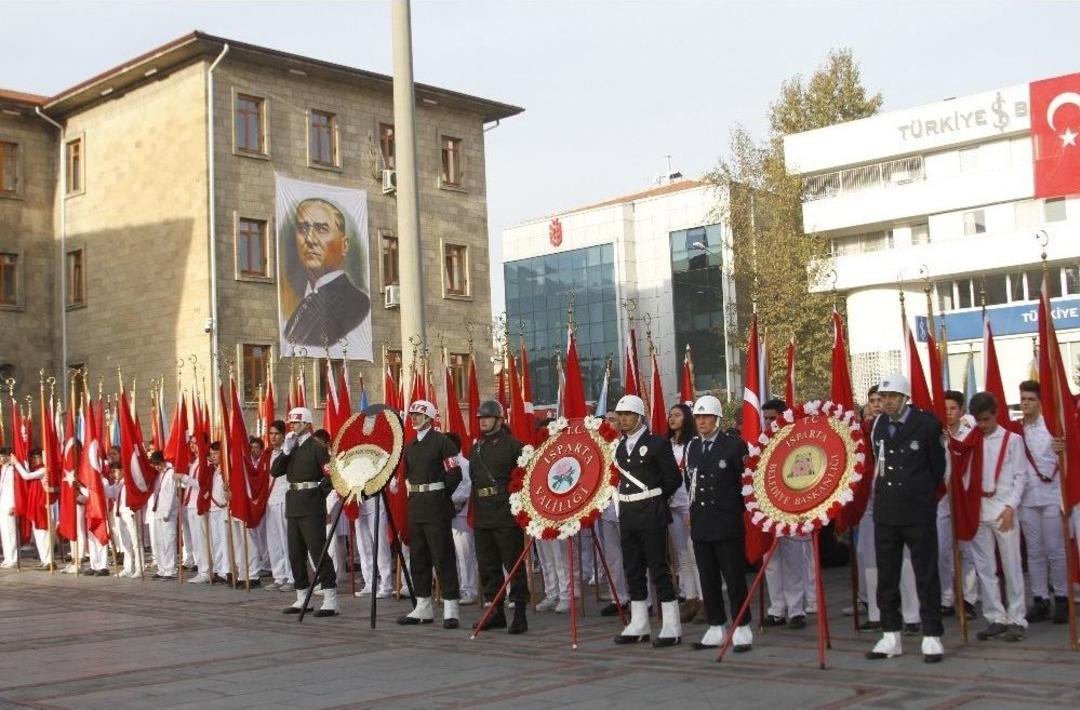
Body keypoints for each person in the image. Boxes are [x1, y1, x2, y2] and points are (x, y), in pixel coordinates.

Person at [867, 374, 946, 663]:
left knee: (925, 573)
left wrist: (921, 494)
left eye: (892, 397)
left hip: (917, 511)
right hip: (887, 511)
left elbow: (937, 468)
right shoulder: (878, 425)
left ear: (904, 399)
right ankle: (890, 634)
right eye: (883, 398)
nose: (886, 403)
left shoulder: (926, 424)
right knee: (887, 576)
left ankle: (932, 634)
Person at [611, 395, 683, 648]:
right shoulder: (619, 447)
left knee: (658, 567)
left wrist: (656, 499)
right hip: (628, 512)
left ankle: (671, 626)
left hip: (651, 511)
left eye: (628, 415)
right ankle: (639, 622)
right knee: (632, 567)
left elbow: (673, 478)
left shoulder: (657, 443)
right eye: (620, 415)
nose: (623, 419)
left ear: (639, 417)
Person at [685, 395, 752, 652]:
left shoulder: (734, 446)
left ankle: (742, 625)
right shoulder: (692, 447)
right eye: (698, 417)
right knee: (708, 578)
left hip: (726, 522)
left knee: (734, 577)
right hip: (701, 522)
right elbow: (688, 480)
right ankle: (716, 624)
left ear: (717, 419)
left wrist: (733, 510)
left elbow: (744, 484)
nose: (701, 422)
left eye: (706, 417)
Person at [959, 393, 1028, 642]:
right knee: (985, 567)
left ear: (996, 414)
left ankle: (1017, 618)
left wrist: (1011, 506)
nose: (983, 425)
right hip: (978, 509)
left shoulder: (1013, 440)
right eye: (978, 420)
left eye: (986, 419)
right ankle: (995, 617)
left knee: (1011, 566)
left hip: (1003, 508)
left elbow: (1021, 476)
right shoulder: (972, 440)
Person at [396, 400, 463, 629]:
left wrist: (441, 495)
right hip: (417, 507)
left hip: (436, 507)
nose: (413, 418)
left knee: (442, 556)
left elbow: (454, 473)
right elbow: (408, 474)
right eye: (412, 414)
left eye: (417, 415)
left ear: (429, 417)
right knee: (419, 558)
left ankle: (451, 607)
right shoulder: (411, 445)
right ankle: (423, 605)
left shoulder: (442, 442)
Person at [271, 407, 339, 618]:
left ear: (308, 424)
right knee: (295, 553)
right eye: (291, 423)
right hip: (294, 505)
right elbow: (275, 471)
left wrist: (320, 492)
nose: (292, 427)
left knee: (317, 551)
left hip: (311, 504)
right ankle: (302, 595)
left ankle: (330, 598)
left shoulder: (317, 447)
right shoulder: (291, 447)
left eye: (297, 423)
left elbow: (331, 473)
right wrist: (286, 451)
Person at [469, 400, 528, 634]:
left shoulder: (514, 446)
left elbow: (523, 478)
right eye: (480, 418)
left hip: (505, 511)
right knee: (488, 565)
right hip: (483, 512)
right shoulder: (476, 448)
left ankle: (520, 613)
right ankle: (496, 612)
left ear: (499, 420)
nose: (482, 421)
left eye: (487, 417)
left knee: (513, 564)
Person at [283, 198, 371, 349]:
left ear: (344, 245)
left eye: (321, 229)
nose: (309, 240)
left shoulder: (356, 303)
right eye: (303, 229)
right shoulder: (305, 302)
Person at [1017, 380, 1069, 625]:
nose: (1025, 403)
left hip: (1050, 495)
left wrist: (1064, 447)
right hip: (1027, 497)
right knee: (1034, 552)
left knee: (1055, 550)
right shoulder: (1017, 429)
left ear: (1040, 402)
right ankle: (1039, 598)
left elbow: (1067, 455)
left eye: (1030, 399)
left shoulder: (1052, 427)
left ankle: (1062, 597)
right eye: (1023, 399)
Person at [760, 398, 811, 629]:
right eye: (766, 418)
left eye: (773, 418)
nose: (769, 422)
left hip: (792, 508)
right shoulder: (761, 443)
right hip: (768, 510)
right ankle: (776, 609)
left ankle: (796, 610)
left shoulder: (796, 438)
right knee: (770, 561)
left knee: (794, 561)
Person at [939, 390, 978, 620]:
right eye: (945, 409)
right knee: (943, 550)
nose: (949, 413)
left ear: (961, 411)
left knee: (967, 549)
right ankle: (946, 597)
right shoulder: (938, 436)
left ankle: (969, 598)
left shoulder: (969, 435)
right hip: (943, 497)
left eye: (953, 408)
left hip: (964, 496)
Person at [666, 403, 703, 624]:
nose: (672, 419)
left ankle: (705, 597)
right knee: (682, 555)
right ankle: (690, 599)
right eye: (670, 415)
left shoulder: (694, 444)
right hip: (672, 504)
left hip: (689, 504)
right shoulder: (666, 444)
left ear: (687, 418)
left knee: (696, 553)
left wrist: (694, 505)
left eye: (677, 415)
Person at [445, 431, 478, 606]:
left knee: (465, 554)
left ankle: (469, 590)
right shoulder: (447, 464)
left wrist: (449, 501)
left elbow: (466, 487)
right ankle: (456, 587)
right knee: (453, 555)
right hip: (447, 515)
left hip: (461, 513)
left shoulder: (464, 464)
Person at [262, 421, 294, 593]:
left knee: (286, 540)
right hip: (270, 501)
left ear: (283, 435)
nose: (273, 437)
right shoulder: (267, 455)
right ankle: (279, 575)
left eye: (276, 434)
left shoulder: (288, 454)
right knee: (274, 541)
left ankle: (291, 576)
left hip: (284, 499)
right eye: (271, 434)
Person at [147, 452, 177, 580]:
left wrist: (167, 512)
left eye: (158, 464)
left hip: (167, 513)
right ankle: (162, 568)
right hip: (158, 511)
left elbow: (171, 494)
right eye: (155, 465)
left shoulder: (170, 473)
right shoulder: (159, 475)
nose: (157, 467)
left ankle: (170, 569)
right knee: (159, 541)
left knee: (168, 541)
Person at [0, 448, 18, 568]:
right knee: (4, 532)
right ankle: (7, 557)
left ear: (8, 456)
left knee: (10, 532)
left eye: (2, 456)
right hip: (2, 503)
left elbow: (13, 488)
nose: (0, 459)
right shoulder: (4, 469)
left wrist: (13, 505)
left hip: (9, 504)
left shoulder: (12, 469)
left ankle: (13, 558)